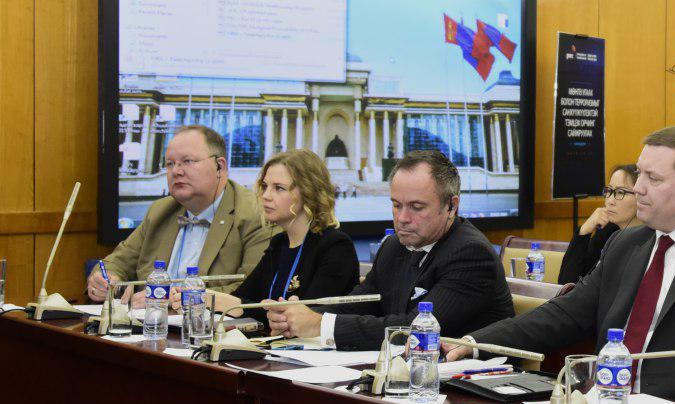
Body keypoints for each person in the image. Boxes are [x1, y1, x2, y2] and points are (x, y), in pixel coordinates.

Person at [446, 125, 675, 401]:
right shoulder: (627, 243)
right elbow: (567, 313)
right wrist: (477, 342)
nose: (638, 188)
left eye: (653, 179)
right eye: (640, 174)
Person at [265, 150, 514, 348]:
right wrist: (296, 316)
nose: (402, 218)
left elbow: (415, 329)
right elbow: (361, 302)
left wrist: (319, 324)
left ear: (451, 206)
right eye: (396, 205)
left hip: (464, 383)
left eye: (416, 207)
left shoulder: (471, 254)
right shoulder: (395, 245)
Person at [88, 125, 271, 304]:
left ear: (220, 167)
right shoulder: (160, 211)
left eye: (188, 161)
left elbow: (251, 291)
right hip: (149, 321)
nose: (176, 171)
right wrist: (107, 280)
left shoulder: (257, 214)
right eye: (170, 164)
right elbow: (115, 263)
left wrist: (175, 298)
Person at [183, 150, 359, 322]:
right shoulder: (279, 243)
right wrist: (207, 297)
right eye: (265, 186)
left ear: (308, 193)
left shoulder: (335, 246)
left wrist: (234, 304)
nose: (265, 196)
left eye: (279, 188)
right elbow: (245, 297)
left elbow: (309, 319)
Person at [558, 164, 642, 284]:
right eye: (609, 191)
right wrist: (584, 231)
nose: (610, 201)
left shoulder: (650, 240)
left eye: (620, 192)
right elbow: (567, 283)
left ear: (641, 196)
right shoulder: (608, 230)